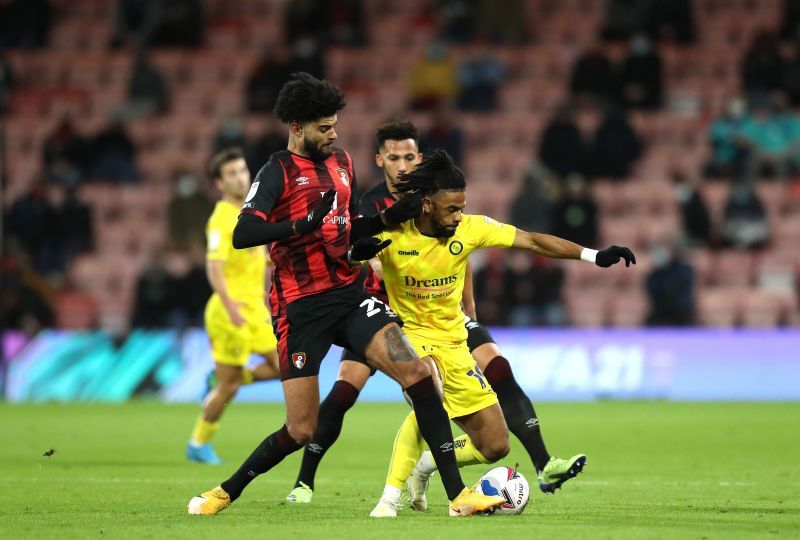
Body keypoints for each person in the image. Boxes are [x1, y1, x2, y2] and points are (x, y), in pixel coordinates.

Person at [186, 72, 505, 517]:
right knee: (300, 429)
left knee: (417, 373)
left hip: (350, 295)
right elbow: (245, 232)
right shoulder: (276, 170)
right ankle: (226, 490)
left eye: (334, 125)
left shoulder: (342, 164)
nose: (333, 134)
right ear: (297, 127)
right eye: (323, 127)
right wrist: (300, 225)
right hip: (300, 308)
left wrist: (390, 218)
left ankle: (457, 495)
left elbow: (348, 227)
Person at [364, 149, 635, 516]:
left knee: (494, 445)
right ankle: (389, 498)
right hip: (411, 335)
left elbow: (533, 241)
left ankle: (424, 465)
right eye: (451, 210)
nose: (459, 217)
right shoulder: (393, 235)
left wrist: (594, 255)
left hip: (455, 341)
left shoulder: (471, 228)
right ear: (426, 205)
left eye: (462, 208)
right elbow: (346, 249)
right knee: (426, 384)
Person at [284, 121, 511, 510]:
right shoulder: (368, 204)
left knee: (430, 387)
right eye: (394, 157)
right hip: (371, 314)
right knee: (343, 393)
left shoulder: (434, 208)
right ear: (380, 160)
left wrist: (468, 310)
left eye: (409, 157)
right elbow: (351, 250)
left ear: (419, 159)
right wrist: (364, 261)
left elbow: (459, 254)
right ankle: (305, 480)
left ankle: (408, 484)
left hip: (417, 321)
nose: (402, 165)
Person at [185, 148, 281, 464]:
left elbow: (256, 258)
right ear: (219, 183)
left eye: (242, 170)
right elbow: (214, 266)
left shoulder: (251, 213)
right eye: (232, 174)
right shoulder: (221, 219)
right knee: (228, 388)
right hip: (231, 312)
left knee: (283, 367)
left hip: (254, 309)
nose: (241, 177)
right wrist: (230, 305)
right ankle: (198, 443)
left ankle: (227, 380)